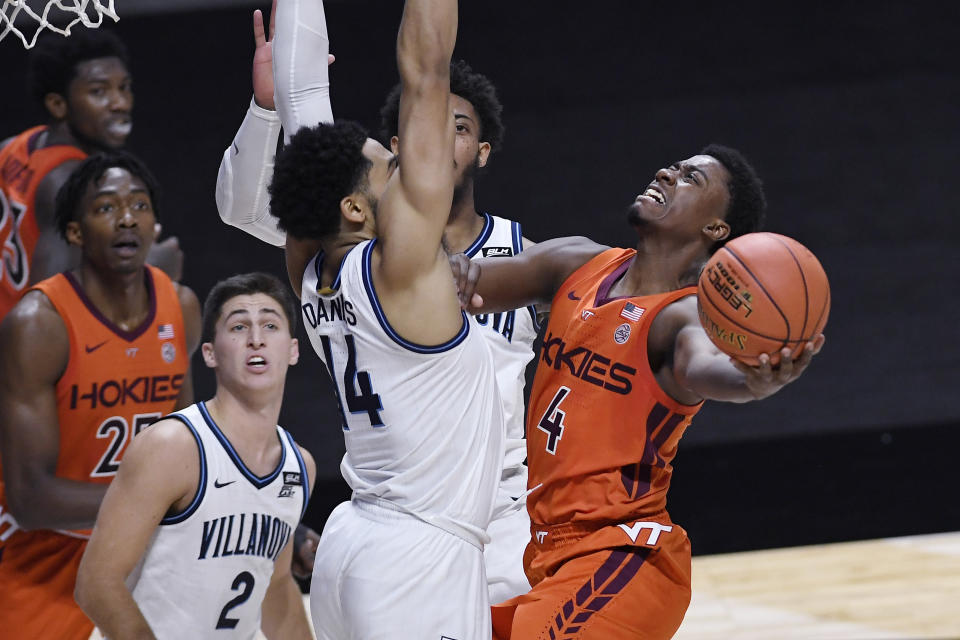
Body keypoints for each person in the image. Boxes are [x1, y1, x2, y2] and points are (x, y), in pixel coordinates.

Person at [216, 0, 537, 601]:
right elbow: (425, 68)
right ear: (359, 205)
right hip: (433, 531)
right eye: (395, 161)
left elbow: (308, 105)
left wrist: (281, 98)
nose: (423, 153)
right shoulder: (403, 263)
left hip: (376, 525)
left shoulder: (316, 262)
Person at [451, 145, 825, 638]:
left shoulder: (683, 317)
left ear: (715, 229)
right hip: (549, 553)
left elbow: (705, 365)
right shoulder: (576, 263)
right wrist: (442, 267)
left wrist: (750, 381)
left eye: (691, 177)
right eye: (674, 166)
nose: (667, 172)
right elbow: (468, 282)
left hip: (625, 556)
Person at [0, 151, 200, 640]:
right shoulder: (38, 325)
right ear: (74, 232)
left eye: (139, 205)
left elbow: (190, 447)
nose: (127, 217)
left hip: (144, 553)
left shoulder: (181, 307)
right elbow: (30, 499)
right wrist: (154, 499)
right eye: (107, 208)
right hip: (46, 557)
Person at [75, 272, 316, 639]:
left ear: (293, 349)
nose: (256, 340)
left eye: (270, 325)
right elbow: (96, 583)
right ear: (210, 353)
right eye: (238, 327)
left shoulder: (299, 467)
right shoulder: (173, 445)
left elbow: (277, 586)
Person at [0, 29, 182, 325]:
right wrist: (149, 273)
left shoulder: (11, 148)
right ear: (58, 105)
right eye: (99, 91)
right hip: (24, 351)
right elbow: (48, 311)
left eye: (124, 87)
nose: (120, 103)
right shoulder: (69, 180)